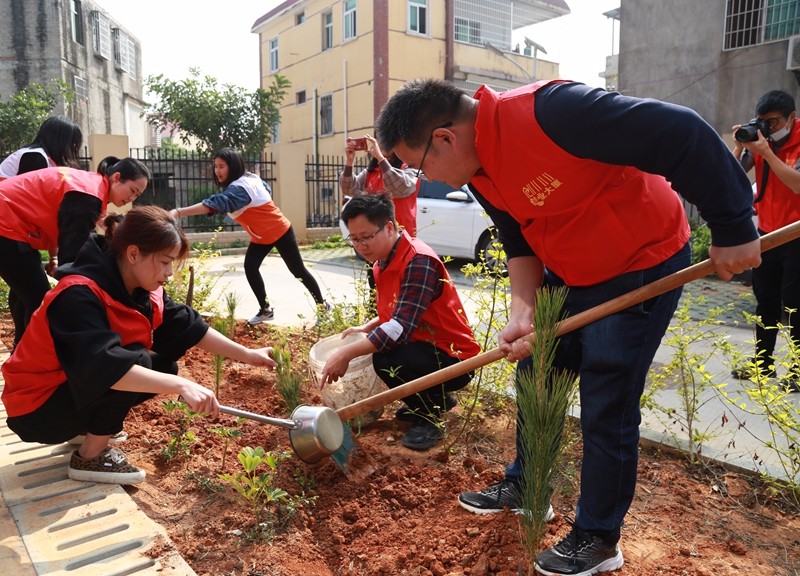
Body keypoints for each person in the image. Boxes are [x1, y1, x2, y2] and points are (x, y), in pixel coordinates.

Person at [376, 78, 761, 575]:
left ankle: (598, 537)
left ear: (445, 138)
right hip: (569, 266)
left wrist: (733, 225)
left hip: (637, 261)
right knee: (537, 368)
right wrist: (523, 312)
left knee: (607, 395)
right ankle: (528, 485)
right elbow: (517, 236)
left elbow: (680, 132)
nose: (421, 177)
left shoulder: (552, 113)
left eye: (417, 164)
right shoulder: (476, 165)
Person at [1, 206, 277, 485]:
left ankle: (83, 429)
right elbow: (105, 368)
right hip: (36, 409)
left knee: (163, 365)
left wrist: (247, 355)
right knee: (135, 363)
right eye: (165, 262)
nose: (170, 273)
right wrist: (182, 386)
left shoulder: (139, 289)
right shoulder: (78, 294)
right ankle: (91, 457)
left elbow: (188, 327)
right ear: (133, 254)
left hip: (67, 390)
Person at [319, 194, 480, 451]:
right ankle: (434, 400)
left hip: (455, 359)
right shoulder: (382, 262)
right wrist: (368, 326)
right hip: (427, 347)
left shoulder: (418, 261)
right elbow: (402, 308)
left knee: (386, 359)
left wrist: (345, 353)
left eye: (366, 237)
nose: (360, 245)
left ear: (390, 227)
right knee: (384, 349)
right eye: (354, 239)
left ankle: (430, 418)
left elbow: (400, 328)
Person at [0, 157, 150, 346]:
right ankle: (30, 359)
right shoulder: (87, 194)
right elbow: (71, 257)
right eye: (132, 191)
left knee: (25, 294)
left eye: (137, 196)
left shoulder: (88, 186)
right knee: (39, 299)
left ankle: (21, 354)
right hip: (6, 225)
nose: (131, 199)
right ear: (117, 177)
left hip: (10, 225)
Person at [170, 148, 329, 325]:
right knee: (250, 267)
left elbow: (218, 203)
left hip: (280, 231)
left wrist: (179, 212)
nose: (217, 171)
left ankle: (323, 307)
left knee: (298, 271)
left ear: (233, 166)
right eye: (215, 166)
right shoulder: (249, 179)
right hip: (261, 236)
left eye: (222, 166)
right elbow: (265, 188)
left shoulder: (239, 189)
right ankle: (266, 310)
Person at [730, 90, 800, 392]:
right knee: (766, 302)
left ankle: (798, 371)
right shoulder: (761, 139)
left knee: (796, 305)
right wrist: (738, 147)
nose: (769, 128)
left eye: (774, 122)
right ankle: (763, 363)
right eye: (764, 122)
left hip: (796, 234)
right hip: (767, 234)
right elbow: (729, 176)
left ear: (791, 118)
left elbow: (797, 186)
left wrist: (767, 152)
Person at [339, 134, 419, 236]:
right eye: (379, 141)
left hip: (401, 232)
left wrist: (380, 158)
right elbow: (348, 190)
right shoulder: (372, 171)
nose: (381, 145)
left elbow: (399, 188)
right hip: (374, 233)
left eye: (386, 140)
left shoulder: (410, 167)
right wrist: (349, 161)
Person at [0, 115, 83, 180]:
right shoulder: (35, 157)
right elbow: (28, 193)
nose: (73, 147)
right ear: (60, 141)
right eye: (72, 142)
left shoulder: (44, 157)